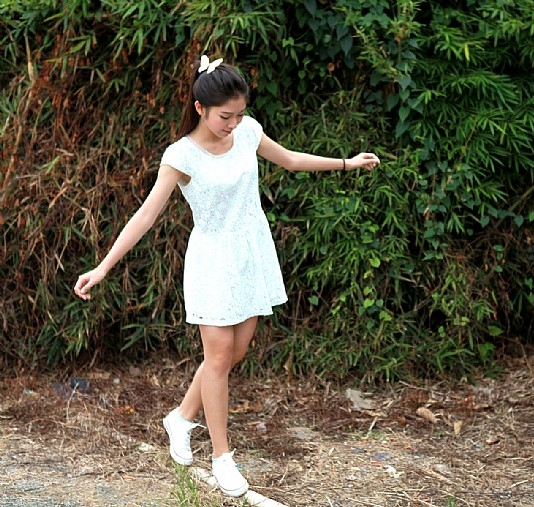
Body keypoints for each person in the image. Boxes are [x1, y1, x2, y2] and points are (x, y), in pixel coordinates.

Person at [74, 55, 380, 497]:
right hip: (213, 260)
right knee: (217, 359)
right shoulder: (181, 156)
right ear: (200, 108)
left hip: (251, 252)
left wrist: (347, 163)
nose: (233, 124)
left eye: (238, 114)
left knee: (232, 355)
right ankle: (222, 457)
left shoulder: (248, 131)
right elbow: (145, 215)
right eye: (225, 117)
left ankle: (180, 418)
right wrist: (103, 267)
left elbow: (291, 160)